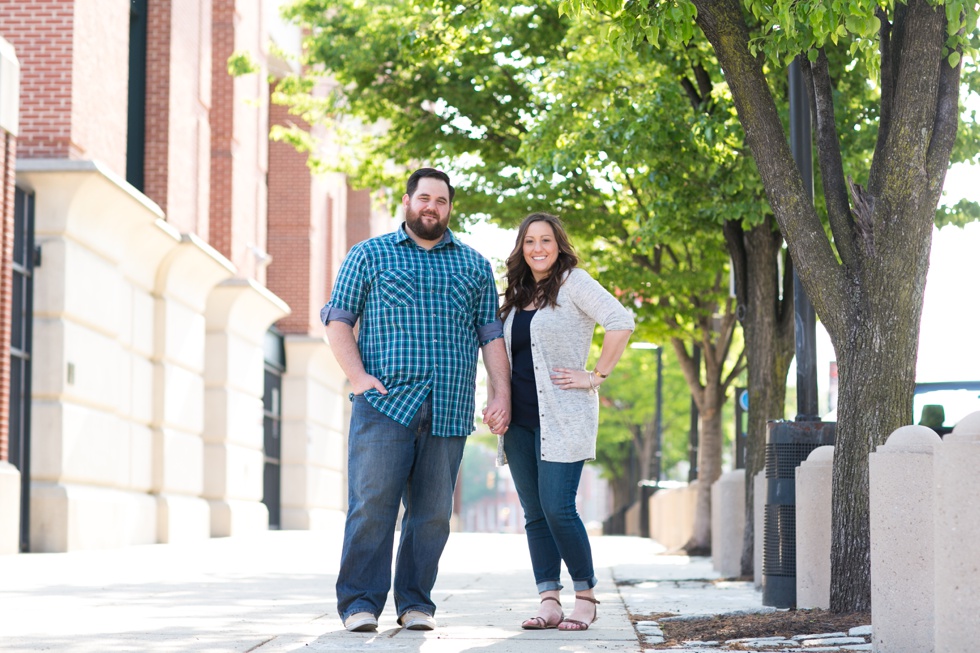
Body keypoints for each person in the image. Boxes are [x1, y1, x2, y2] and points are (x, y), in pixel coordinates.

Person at [321, 168, 511, 633]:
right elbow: (338, 319)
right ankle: (360, 604)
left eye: (441, 200)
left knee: (432, 516)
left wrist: (499, 392)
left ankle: (416, 604)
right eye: (423, 197)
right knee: (372, 506)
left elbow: (491, 336)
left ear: (449, 207)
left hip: (449, 405)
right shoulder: (369, 254)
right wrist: (359, 376)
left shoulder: (473, 264)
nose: (432, 206)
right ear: (407, 202)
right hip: (384, 403)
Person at [487, 212, 634, 632]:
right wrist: (495, 401)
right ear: (521, 248)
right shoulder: (516, 294)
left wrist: (595, 376)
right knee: (535, 513)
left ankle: (585, 596)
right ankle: (548, 600)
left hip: (565, 416)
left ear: (558, 244)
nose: (538, 248)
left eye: (546, 240)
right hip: (519, 422)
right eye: (529, 241)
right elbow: (504, 357)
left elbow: (621, 321)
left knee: (558, 507)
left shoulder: (574, 282)